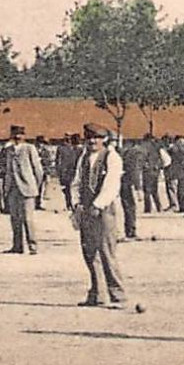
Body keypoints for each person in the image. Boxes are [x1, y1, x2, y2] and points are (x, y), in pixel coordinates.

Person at [70, 123, 129, 308]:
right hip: (85, 208)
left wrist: (98, 204)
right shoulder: (84, 157)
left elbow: (112, 185)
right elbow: (77, 182)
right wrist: (77, 204)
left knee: (106, 251)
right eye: (89, 138)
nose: (92, 141)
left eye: (96, 138)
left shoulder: (112, 157)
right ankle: (97, 293)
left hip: (105, 209)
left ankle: (118, 295)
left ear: (104, 139)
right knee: (89, 252)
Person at [1, 125, 43, 254]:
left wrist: (34, 185)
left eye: (20, 135)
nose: (17, 138)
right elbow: (5, 168)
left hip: (27, 189)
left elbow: (38, 170)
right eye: (15, 135)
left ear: (24, 136)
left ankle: (32, 245)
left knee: (27, 218)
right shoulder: (8, 150)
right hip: (12, 189)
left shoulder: (30, 149)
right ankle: (17, 246)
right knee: (14, 218)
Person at [117, 134, 140, 240]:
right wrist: (138, 187)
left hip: (122, 182)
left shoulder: (121, 152)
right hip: (128, 183)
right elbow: (134, 171)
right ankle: (130, 231)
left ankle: (128, 231)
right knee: (130, 206)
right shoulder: (134, 154)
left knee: (126, 206)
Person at [55, 135, 81, 217]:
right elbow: (58, 160)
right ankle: (69, 203)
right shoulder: (62, 148)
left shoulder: (78, 149)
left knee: (72, 188)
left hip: (74, 171)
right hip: (66, 171)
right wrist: (59, 170)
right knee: (66, 188)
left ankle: (73, 204)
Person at [139, 135, 165, 214]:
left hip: (147, 171)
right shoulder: (156, 147)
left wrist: (144, 166)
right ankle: (158, 207)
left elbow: (141, 159)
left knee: (147, 190)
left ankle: (148, 208)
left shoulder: (144, 148)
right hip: (155, 171)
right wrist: (158, 167)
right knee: (154, 190)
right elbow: (161, 159)